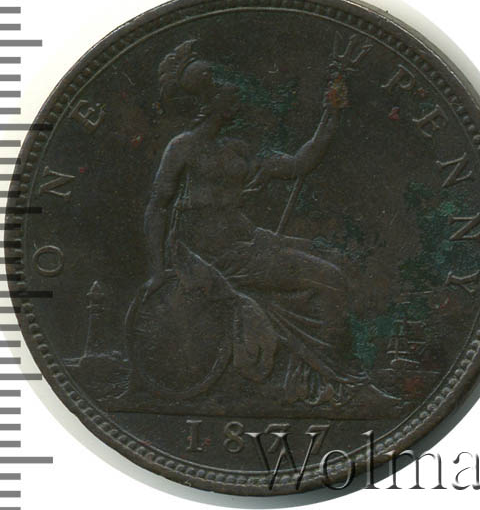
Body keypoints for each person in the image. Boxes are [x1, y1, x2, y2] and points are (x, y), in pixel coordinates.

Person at [135, 39, 368, 406]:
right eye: (227, 91)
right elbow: (156, 207)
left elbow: (300, 163)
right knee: (330, 279)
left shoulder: (238, 149)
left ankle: (311, 377)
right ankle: (338, 381)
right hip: (208, 255)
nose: (238, 97)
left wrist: (331, 110)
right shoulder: (182, 147)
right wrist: (156, 271)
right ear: (209, 103)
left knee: (331, 258)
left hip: (245, 244)